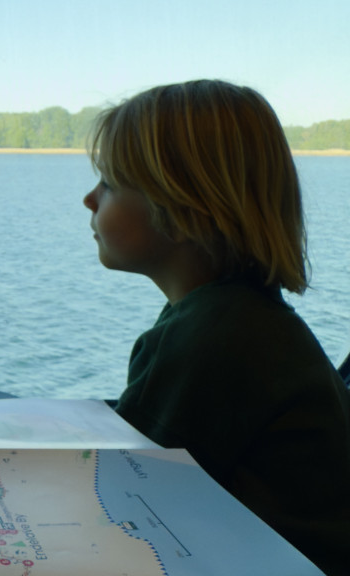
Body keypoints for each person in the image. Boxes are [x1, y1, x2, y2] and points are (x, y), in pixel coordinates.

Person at [82, 79, 350, 575]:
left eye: (110, 183)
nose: (89, 199)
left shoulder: (216, 337)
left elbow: (126, 493)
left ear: (181, 209)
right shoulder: (244, 316)